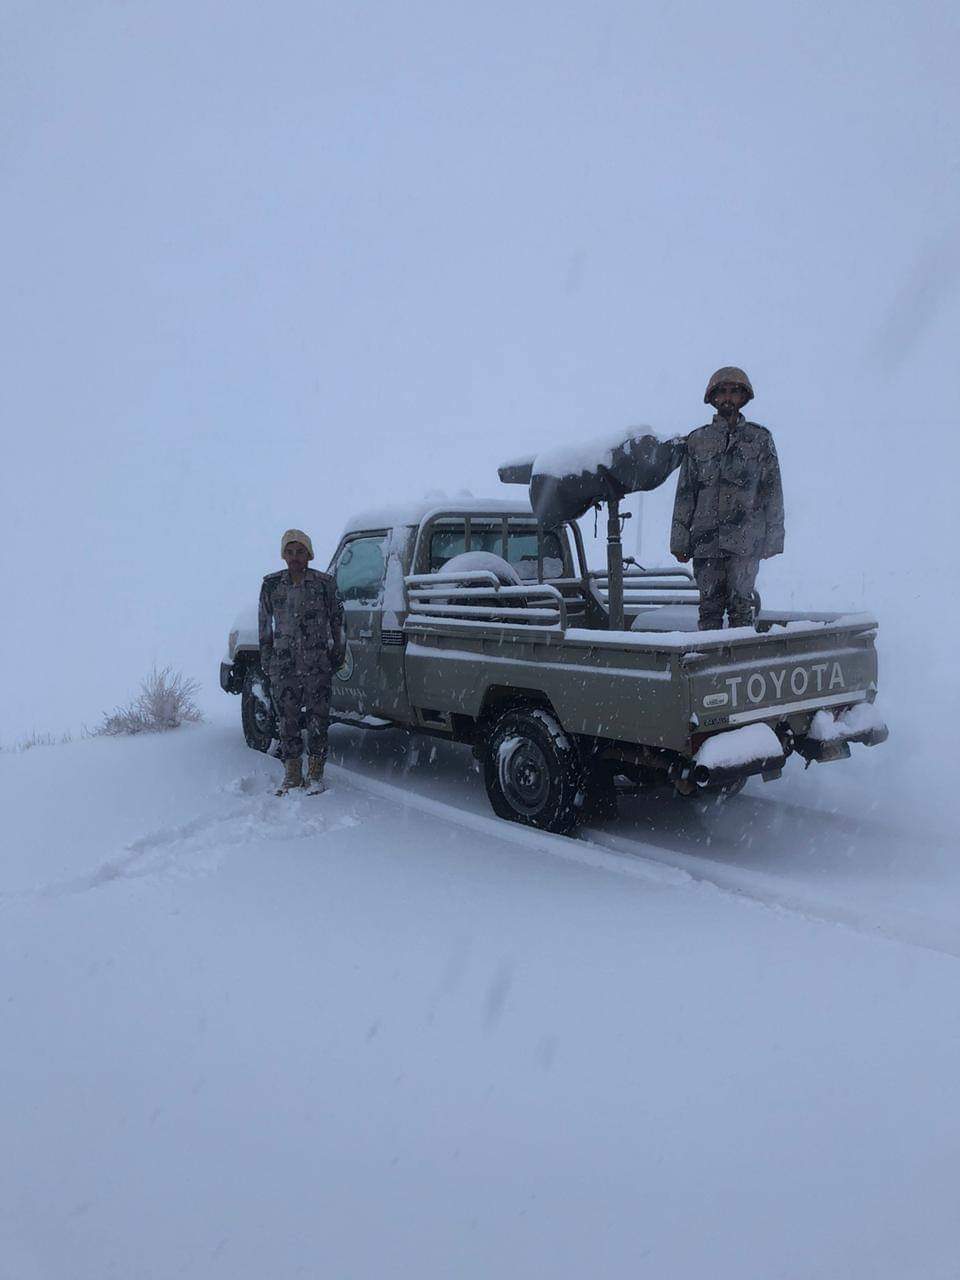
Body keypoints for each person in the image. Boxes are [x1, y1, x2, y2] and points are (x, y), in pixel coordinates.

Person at [670, 366, 784, 631]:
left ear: (744, 397)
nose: (728, 398)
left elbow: (772, 491)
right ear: (712, 398)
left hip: (745, 541)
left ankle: (736, 668)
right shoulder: (697, 441)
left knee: (741, 609)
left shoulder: (759, 439)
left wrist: (773, 538)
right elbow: (685, 493)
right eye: (722, 392)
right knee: (709, 609)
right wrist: (679, 539)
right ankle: (709, 667)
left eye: (734, 392)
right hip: (705, 541)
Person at [258, 529, 345, 795]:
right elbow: (264, 625)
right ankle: (292, 775)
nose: (295, 557)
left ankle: (315, 775)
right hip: (284, 667)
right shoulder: (271, 585)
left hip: (317, 665)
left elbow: (338, 621)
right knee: (288, 721)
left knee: (318, 720)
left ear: (309, 554)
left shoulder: (324, 584)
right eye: (290, 552)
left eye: (300, 552)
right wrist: (268, 660)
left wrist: (337, 655)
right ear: (284, 555)